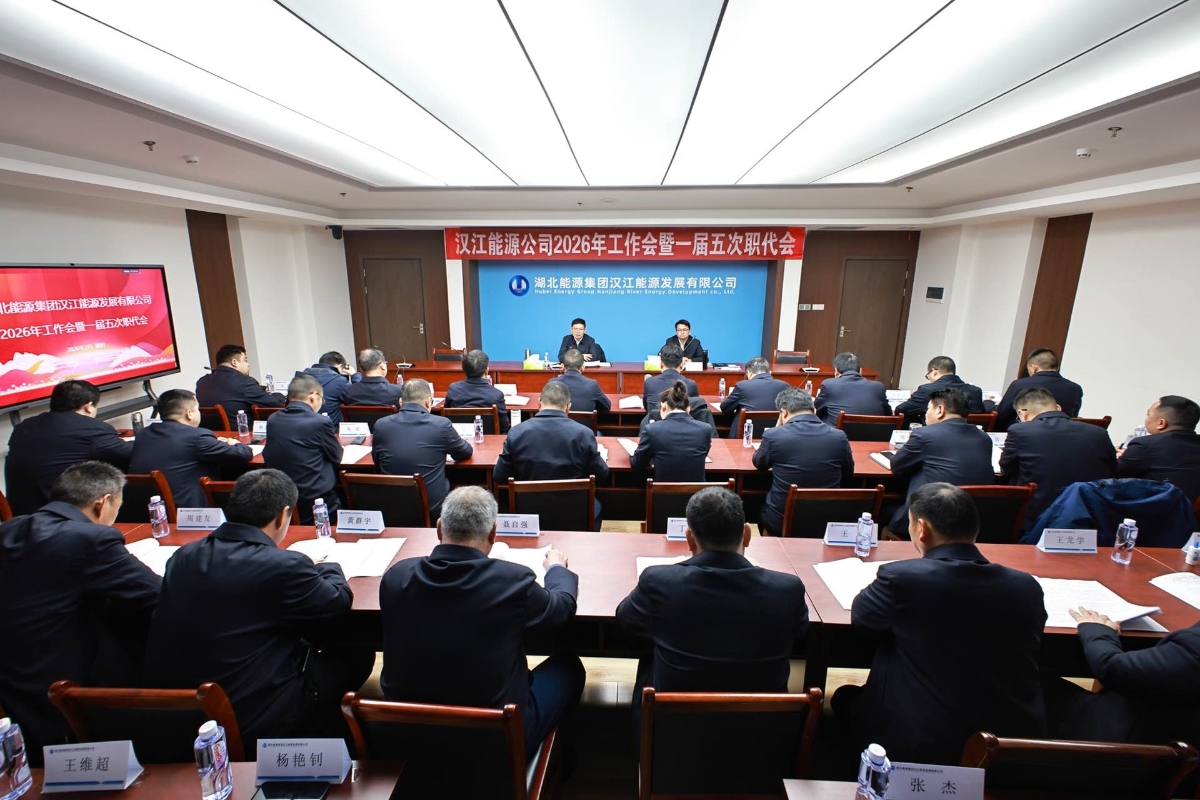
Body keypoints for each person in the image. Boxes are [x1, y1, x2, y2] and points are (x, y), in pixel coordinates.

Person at [144, 470, 371, 745]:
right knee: (356, 649)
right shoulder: (285, 565)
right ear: (283, 515)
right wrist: (327, 565)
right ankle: (328, 729)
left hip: (176, 713)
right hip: (251, 717)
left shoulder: (183, 556)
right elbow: (337, 602)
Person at [831, 483, 1047, 765]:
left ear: (921, 528)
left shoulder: (902, 578)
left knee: (844, 698)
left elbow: (863, 620)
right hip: (1009, 743)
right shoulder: (1026, 586)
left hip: (920, 742)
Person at [379, 486, 584, 756]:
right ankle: (561, 761)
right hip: (496, 742)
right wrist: (555, 568)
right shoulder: (512, 582)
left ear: (439, 529)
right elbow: (561, 609)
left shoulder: (396, 577)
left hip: (406, 735)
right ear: (493, 533)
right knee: (569, 666)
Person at [0, 462, 160, 760]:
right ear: (103, 503)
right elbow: (156, 594)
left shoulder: (11, 528)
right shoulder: (92, 539)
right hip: (63, 688)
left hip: (12, 678)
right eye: (117, 508)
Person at [616, 487, 808, 721]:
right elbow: (800, 633)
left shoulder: (659, 581)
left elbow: (625, 620)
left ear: (689, 538)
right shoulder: (788, 589)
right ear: (747, 534)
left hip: (673, 734)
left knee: (652, 654)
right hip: (763, 732)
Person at [1041, 610, 1200, 747]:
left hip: (1132, 745)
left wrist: (1097, 631)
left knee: (1033, 678)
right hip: (1169, 722)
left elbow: (1113, 670)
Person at [4, 380, 134, 515]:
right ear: (88, 406)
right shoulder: (92, 429)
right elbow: (131, 454)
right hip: (62, 517)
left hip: (20, 515)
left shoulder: (23, 427)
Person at [999, 387, 1116, 533]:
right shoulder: (1099, 433)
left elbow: (1006, 468)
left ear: (1023, 414)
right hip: (1089, 518)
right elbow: (1112, 472)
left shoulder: (1020, 431)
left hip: (1037, 517)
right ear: (1058, 408)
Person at [493, 381, 609, 528]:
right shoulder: (584, 434)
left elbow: (499, 475)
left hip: (528, 512)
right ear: (568, 407)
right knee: (596, 506)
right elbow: (602, 474)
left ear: (539, 403)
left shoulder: (516, 433)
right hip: (573, 512)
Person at [887, 388, 996, 536]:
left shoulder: (925, 434)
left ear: (940, 410)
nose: (926, 414)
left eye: (928, 409)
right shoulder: (984, 438)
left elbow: (897, 466)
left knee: (885, 509)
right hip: (972, 522)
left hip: (932, 520)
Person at [753, 388, 854, 536]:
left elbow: (759, 463)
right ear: (814, 411)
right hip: (827, 519)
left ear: (783, 413)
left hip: (782, 520)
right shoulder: (839, 436)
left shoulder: (773, 435)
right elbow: (848, 472)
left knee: (755, 503)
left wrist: (776, 428)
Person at [128, 389, 253, 508]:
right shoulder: (198, 437)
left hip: (145, 508)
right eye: (197, 409)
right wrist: (235, 443)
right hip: (188, 509)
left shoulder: (143, 434)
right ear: (189, 414)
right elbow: (243, 454)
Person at [372, 379, 473, 520]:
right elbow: (464, 452)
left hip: (391, 506)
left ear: (401, 402)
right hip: (431, 508)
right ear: (428, 402)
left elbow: (377, 461)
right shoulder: (441, 425)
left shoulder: (381, 425)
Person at [262, 374, 343, 523]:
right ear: (313, 396)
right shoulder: (320, 422)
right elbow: (337, 456)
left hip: (282, 498)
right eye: (322, 399)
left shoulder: (273, 419)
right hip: (315, 501)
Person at [1117, 395, 1200, 503]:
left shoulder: (1145, 445)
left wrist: (1123, 457)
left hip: (1155, 508)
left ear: (1161, 423)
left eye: (1148, 414)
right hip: (1191, 510)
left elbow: (1112, 475)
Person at [630, 381, 712, 482]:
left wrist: (633, 453)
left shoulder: (652, 430)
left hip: (663, 492)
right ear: (688, 409)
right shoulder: (705, 430)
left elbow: (637, 465)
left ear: (663, 406)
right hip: (697, 492)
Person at [995, 348, 1084, 431]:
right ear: (1057, 367)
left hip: (1024, 433)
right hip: (1062, 433)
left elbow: (1002, 415)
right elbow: (1073, 416)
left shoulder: (1019, 385)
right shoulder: (1075, 388)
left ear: (1034, 367)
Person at [195, 343, 285, 421]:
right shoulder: (244, 382)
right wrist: (280, 394)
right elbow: (274, 403)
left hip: (211, 432)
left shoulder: (201, 382)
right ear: (234, 362)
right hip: (242, 432)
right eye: (245, 360)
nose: (248, 364)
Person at [895, 356, 985, 426]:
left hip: (934, 437)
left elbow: (901, 410)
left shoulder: (927, 390)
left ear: (934, 372)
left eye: (928, 375)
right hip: (969, 438)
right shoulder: (976, 391)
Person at [719, 357, 790, 439]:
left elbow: (725, 408)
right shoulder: (784, 386)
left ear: (749, 373)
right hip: (776, 435)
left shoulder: (743, 386)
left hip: (746, 436)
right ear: (769, 372)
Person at [814, 352, 890, 425]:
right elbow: (888, 414)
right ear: (860, 371)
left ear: (836, 371)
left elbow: (817, 409)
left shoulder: (829, 385)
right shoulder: (878, 387)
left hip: (838, 433)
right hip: (873, 433)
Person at [444, 349, 510, 433]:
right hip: (489, 439)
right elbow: (504, 427)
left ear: (463, 369)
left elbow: (446, 418)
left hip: (458, 438)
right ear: (486, 370)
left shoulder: (453, 389)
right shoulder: (496, 395)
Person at [295, 351, 353, 424]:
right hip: (330, 428)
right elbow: (358, 398)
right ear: (339, 366)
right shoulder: (339, 381)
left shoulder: (299, 378)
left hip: (301, 425)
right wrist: (355, 375)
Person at [548, 348, 611, 413]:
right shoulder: (592, 385)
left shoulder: (552, 384)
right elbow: (607, 407)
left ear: (562, 366)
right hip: (584, 420)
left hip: (559, 420)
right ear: (583, 367)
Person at [642, 344, 698, 410]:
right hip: (681, 417)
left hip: (656, 417)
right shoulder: (691, 384)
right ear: (682, 365)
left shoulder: (650, 382)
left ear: (661, 364)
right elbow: (695, 409)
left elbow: (646, 407)